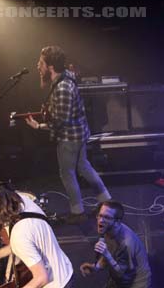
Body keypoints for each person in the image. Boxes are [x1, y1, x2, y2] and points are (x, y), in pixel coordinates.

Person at [25, 45, 111, 224]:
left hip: (70, 138)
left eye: (40, 63)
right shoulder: (64, 80)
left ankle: (77, 211)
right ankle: (106, 200)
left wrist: (38, 126)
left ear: (50, 67)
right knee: (84, 167)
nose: (37, 66)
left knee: (67, 173)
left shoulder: (62, 88)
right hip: (78, 134)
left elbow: (60, 122)